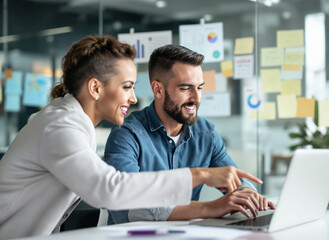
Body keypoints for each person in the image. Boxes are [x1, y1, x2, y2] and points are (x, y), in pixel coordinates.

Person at [0, 36, 263, 239]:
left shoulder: (73, 123)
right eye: (127, 87)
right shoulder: (60, 126)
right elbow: (110, 190)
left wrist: (248, 196)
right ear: (95, 88)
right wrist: (200, 176)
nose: (134, 98)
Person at [105, 44, 275, 225]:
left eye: (200, 87)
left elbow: (234, 179)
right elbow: (126, 208)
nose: (196, 98)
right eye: (186, 88)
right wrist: (210, 208)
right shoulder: (126, 134)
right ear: (158, 90)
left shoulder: (205, 133)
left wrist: (246, 193)